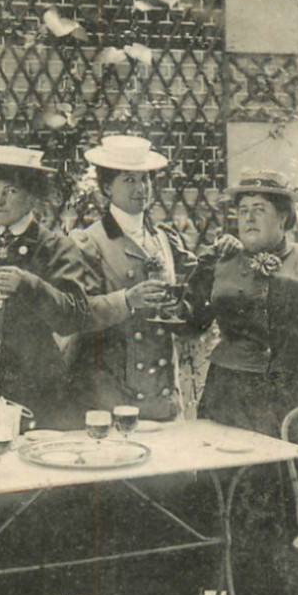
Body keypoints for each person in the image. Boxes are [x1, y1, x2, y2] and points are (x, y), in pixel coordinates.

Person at [187, 168, 298, 595]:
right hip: (232, 394)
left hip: (293, 393)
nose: (247, 218)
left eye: (259, 209)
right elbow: (192, 320)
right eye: (241, 211)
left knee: (293, 495)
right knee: (239, 494)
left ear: (284, 217)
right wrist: (199, 275)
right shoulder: (219, 262)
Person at [0, 145, 89, 429]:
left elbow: (74, 316)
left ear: (32, 196)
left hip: (34, 400)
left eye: (10, 191)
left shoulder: (55, 247)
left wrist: (28, 284)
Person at [68, 134, 197, 420]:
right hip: (112, 394)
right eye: (128, 180)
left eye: (145, 180)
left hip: (162, 394)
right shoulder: (88, 242)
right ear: (106, 188)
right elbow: (76, 313)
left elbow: (188, 310)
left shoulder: (164, 239)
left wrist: (177, 308)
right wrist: (128, 300)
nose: (141, 188)